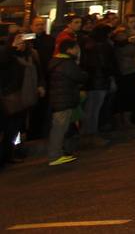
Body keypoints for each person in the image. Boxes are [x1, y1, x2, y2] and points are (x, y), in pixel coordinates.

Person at [1, 29, 40, 168]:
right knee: (8, 128)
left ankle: (9, 153)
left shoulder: (29, 55)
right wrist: (12, 48)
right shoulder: (7, 54)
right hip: (9, 96)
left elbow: (38, 71)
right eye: (18, 39)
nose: (21, 43)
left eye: (23, 40)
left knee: (15, 129)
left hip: (23, 96)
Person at [46, 37, 86, 166]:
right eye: (76, 48)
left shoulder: (56, 61)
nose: (77, 51)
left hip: (60, 98)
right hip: (64, 98)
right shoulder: (67, 63)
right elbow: (79, 76)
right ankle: (55, 155)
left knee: (60, 127)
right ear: (70, 49)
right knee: (59, 128)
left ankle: (57, 153)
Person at [80, 24, 115, 140]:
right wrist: (110, 75)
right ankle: (91, 133)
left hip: (90, 80)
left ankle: (87, 132)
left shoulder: (89, 44)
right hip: (100, 80)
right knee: (95, 108)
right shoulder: (104, 46)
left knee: (90, 108)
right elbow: (106, 64)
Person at [112, 27, 135, 130]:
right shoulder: (121, 46)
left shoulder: (127, 44)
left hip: (131, 71)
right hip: (126, 72)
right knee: (126, 97)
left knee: (131, 96)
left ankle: (126, 120)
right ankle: (123, 121)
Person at [26, 16, 53, 143]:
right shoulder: (28, 39)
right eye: (37, 24)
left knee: (42, 107)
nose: (40, 26)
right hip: (31, 77)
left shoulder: (49, 39)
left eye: (42, 24)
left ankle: (39, 133)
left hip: (44, 76)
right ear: (31, 26)